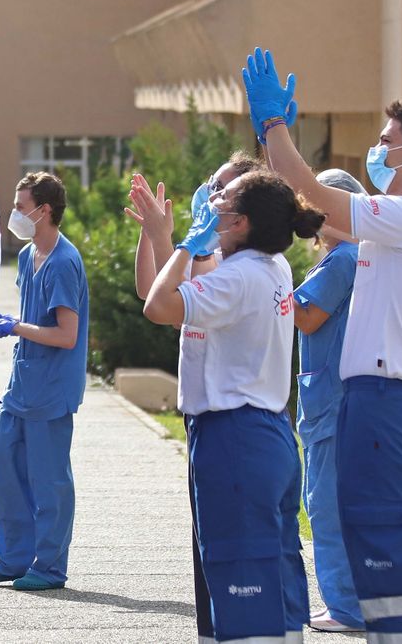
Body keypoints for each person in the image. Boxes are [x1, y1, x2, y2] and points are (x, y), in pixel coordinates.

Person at [243, 47, 402, 644]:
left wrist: (272, 127)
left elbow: (307, 186)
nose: (378, 150)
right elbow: (319, 212)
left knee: (383, 552)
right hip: (395, 402)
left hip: (382, 404)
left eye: (386, 140)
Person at [143, 170, 317, 643]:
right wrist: (194, 246)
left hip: (235, 435)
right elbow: (203, 292)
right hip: (266, 433)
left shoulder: (240, 277)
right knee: (271, 571)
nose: (212, 199)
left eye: (223, 197)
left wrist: (184, 245)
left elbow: (158, 306)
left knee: (243, 579)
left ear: (239, 223)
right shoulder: (271, 265)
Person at [123, 150, 262, 640]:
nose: (211, 191)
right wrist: (153, 233)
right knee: (208, 543)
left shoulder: (242, 262)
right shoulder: (209, 249)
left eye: (223, 186)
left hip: (233, 418)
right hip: (202, 412)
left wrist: (174, 240)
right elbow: (149, 288)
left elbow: (175, 300)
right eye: (212, 181)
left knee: (233, 548)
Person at [0, 171, 88, 592]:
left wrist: (15, 327)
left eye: (21, 207)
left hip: (52, 390)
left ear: (44, 211)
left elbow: (66, 335)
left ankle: (50, 567)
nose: (14, 214)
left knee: (50, 481)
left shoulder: (63, 262)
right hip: (22, 386)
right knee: (0, 465)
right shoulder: (28, 257)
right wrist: (10, 324)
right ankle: (12, 558)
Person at [293, 168, 368, 634]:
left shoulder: (343, 260)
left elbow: (308, 317)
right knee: (328, 501)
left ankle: (345, 607)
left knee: (326, 505)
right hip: (330, 397)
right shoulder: (347, 257)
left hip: (331, 402)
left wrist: (270, 288)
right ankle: (348, 602)